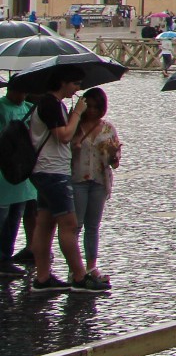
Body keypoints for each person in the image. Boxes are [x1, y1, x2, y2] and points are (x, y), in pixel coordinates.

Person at [25, 72, 96, 292]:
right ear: (62, 82)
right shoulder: (50, 104)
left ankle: (43, 278)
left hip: (46, 170)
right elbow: (63, 135)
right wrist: (77, 112)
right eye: (75, 83)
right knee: (69, 224)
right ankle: (79, 276)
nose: (77, 88)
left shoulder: (50, 104)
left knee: (45, 223)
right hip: (52, 172)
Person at [69, 88, 120, 288]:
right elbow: (65, 155)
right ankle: (75, 267)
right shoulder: (74, 127)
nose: (91, 111)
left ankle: (91, 266)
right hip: (78, 179)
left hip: (99, 180)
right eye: (88, 106)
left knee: (92, 226)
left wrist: (114, 154)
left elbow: (114, 163)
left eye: (96, 107)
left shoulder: (108, 129)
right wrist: (74, 148)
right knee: (75, 225)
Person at [0, 83, 39, 276]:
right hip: (4, 173)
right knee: (3, 217)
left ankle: (5, 257)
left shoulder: (28, 109)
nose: (24, 95)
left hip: (22, 175)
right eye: (21, 90)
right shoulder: (1, 107)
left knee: (14, 219)